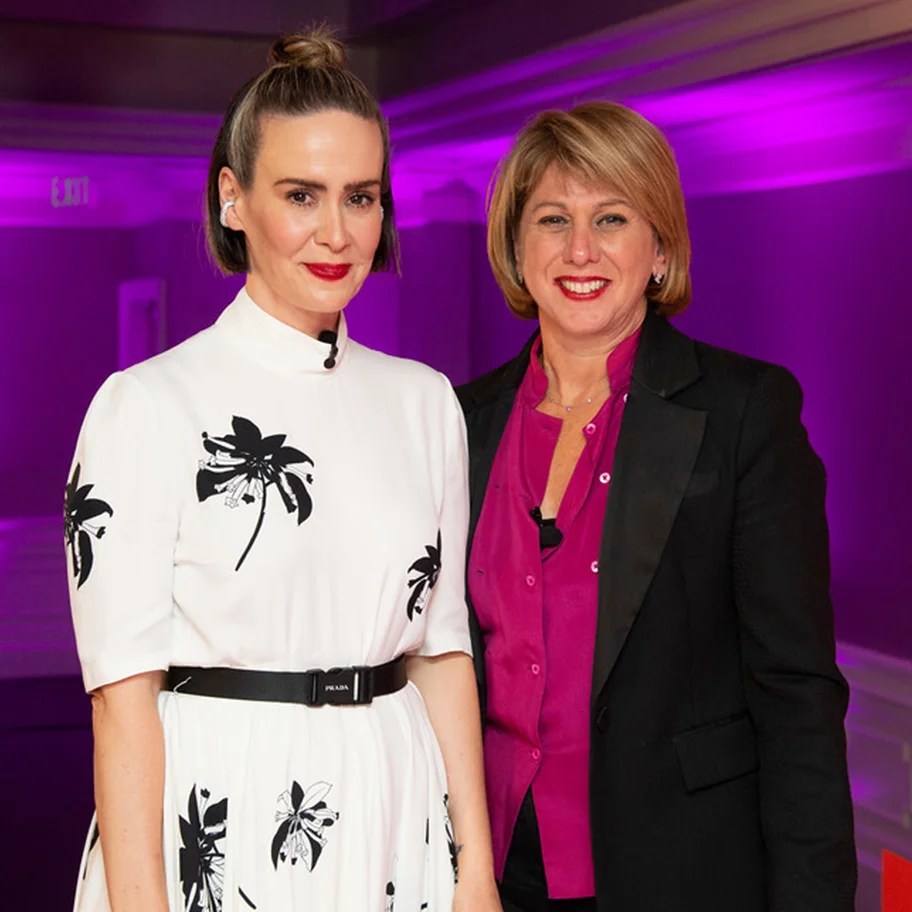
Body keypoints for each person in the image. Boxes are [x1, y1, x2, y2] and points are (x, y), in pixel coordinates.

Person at [65, 29, 500, 912]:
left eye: (361, 198)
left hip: (396, 805)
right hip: (223, 811)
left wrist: (476, 876)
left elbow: (443, 654)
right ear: (233, 199)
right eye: (301, 195)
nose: (336, 233)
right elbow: (122, 703)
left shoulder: (425, 403)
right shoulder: (145, 406)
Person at [457, 101, 856, 912]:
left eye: (611, 218)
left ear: (661, 248)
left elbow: (797, 694)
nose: (580, 249)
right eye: (552, 219)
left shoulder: (744, 412)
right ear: (516, 248)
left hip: (681, 874)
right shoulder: (458, 421)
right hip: (489, 878)